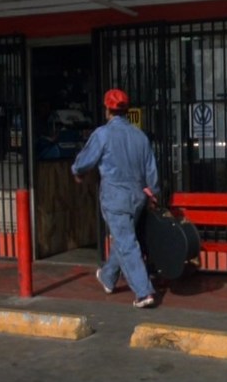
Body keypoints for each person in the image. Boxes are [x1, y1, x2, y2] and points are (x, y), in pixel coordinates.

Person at [72, 88, 160, 308]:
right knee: (125, 238)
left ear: (107, 109)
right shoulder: (140, 136)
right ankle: (108, 276)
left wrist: (77, 172)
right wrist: (152, 192)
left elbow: (83, 162)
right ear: (126, 109)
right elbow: (152, 172)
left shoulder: (103, 134)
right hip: (138, 197)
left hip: (115, 197)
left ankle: (143, 292)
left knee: (126, 242)